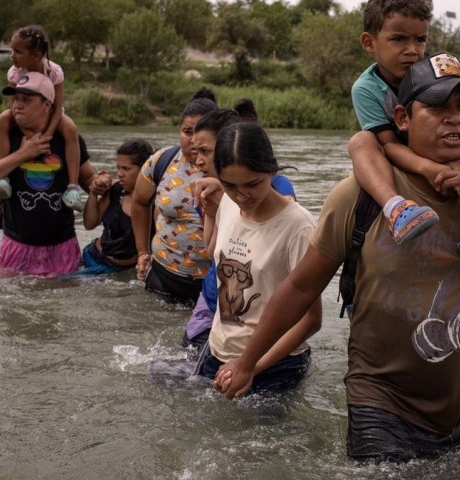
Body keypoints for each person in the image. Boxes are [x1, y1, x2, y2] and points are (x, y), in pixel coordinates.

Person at [214, 55, 460, 460]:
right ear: (402, 117)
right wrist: (246, 363)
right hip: (380, 406)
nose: (454, 119)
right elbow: (300, 286)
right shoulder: (362, 194)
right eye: (437, 107)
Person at [349, 0, 460, 266]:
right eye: (399, 39)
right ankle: (396, 208)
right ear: (370, 43)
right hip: (404, 153)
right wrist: (430, 169)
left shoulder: (431, 71)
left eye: (420, 39)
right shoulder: (367, 88)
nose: (412, 50)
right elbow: (389, 146)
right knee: (361, 141)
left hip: (444, 145)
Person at [195, 122, 322, 394]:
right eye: (231, 185)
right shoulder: (227, 204)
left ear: (271, 170)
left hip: (275, 366)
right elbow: (213, 254)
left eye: (252, 184)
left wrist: (250, 366)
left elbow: (311, 319)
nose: (242, 196)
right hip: (218, 353)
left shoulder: (298, 227)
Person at [183, 100, 296, 351]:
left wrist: (226, 192)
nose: (199, 161)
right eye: (196, 151)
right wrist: (212, 211)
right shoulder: (216, 191)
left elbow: (285, 215)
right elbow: (212, 251)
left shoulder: (272, 189)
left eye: (206, 151)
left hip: (250, 316)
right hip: (215, 305)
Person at [0, 72, 101, 277]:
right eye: (16, 99)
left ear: (47, 105)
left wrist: (101, 182)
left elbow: (87, 179)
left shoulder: (67, 138)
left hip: (62, 245)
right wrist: (23, 154)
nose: (17, 105)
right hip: (16, 244)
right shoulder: (4, 135)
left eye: (27, 100)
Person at [131, 88, 217, 304]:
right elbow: (140, 202)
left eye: (200, 133)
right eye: (187, 131)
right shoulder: (161, 161)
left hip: (214, 282)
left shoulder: (229, 165)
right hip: (164, 274)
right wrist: (142, 252)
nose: (194, 140)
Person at [0, 25, 83, 212]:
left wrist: (46, 135)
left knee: (71, 128)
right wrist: (26, 131)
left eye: (18, 51)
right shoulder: (15, 73)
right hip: (22, 114)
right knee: (1, 120)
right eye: (11, 50)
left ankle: (73, 188)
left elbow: (56, 107)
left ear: (36, 55)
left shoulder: (54, 72)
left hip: (50, 113)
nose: (12, 55)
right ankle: (3, 179)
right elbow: (13, 105)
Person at [81, 139, 154, 275]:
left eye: (126, 168)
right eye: (118, 168)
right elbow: (89, 224)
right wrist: (93, 192)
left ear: (145, 168)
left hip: (128, 269)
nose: (120, 173)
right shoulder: (115, 190)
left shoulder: (155, 201)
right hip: (95, 259)